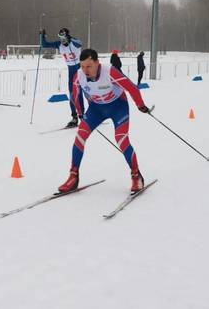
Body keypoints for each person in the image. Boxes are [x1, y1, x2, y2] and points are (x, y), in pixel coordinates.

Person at [58, 48, 151, 194]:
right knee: (80, 137)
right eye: (82, 66)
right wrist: (81, 114)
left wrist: (140, 105)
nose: (85, 70)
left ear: (97, 63)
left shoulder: (110, 71)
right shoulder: (79, 76)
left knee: (121, 139)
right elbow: (75, 96)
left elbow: (132, 88)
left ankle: (136, 175)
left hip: (118, 107)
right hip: (96, 110)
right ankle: (73, 176)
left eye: (89, 66)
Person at [40, 28, 84, 128]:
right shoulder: (59, 44)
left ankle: (85, 115)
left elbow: (80, 43)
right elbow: (44, 45)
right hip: (71, 72)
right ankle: (74, 117)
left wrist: (70, 39)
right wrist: (43, 36)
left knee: (81, 93)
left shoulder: (74, 42)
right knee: (72, 95)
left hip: (80, 70)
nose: (62, 40)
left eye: (63, 38)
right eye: (60, 38)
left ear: (67, 36)